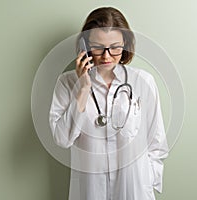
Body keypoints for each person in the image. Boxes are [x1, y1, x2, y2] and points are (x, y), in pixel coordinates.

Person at [49, 7, 169, 200]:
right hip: (90, 190)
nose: (106, 56)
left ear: (126, 44)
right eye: (97, 47)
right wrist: (83, 88)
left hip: (134, 189)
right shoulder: (67, 83)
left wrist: (146, 179)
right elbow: (62, 139)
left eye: (115, 47)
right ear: (85, 46)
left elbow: (157, 142)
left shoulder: (143, 82)